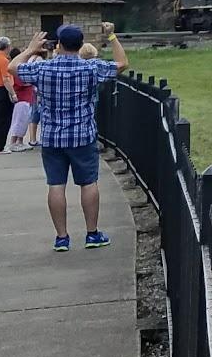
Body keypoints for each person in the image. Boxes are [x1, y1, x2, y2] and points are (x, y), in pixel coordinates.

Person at [9, 22, 128, 252]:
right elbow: (122, 63)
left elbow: (13, 68)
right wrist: (111, 35)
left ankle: (62, 238)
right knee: (88, 183)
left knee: (56, 185)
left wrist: (31, 49)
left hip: (52, 137)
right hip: (82, 136)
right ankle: (92, 234)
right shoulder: (90, 68)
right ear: (81, 44)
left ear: (59, 44)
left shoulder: (43, 69)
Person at [8, 64, 38, 151]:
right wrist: (32, 81)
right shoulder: (16, 73)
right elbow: (20, 84)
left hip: (27, 99)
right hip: (22, 99)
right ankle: (13, 142)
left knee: (24, 122)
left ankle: (20, 141)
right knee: (18, 121)